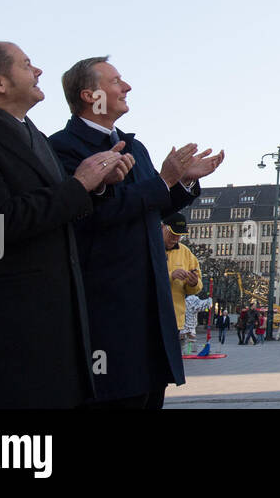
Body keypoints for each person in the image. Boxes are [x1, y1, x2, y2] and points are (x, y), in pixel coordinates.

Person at [0, 41, 131, 408]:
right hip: (9, 333)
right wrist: (78, 185)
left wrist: (98, 188)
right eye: (27, 65)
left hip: (54, 328)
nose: (39, 71)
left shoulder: (34, 136)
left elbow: (56, 212)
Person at [49, 55, 224, 408]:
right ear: (89, 95)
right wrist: (164, 180)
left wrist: (184, 182)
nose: (126, 87)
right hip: (109, 309)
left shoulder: (135, 147)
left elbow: (150, 206)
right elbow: (92, 214)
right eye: (116, 81)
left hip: (150, 311)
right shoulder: (64, 147)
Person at [163, 215, 203, 354]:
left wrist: (193, 284)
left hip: (175, 320)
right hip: (149, 317)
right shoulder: (150, 247)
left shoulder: (185, 252)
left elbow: (197, 285)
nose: (176, 238)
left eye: (179, 235)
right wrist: (170, 276)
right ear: (162, 227)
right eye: (173, 233)